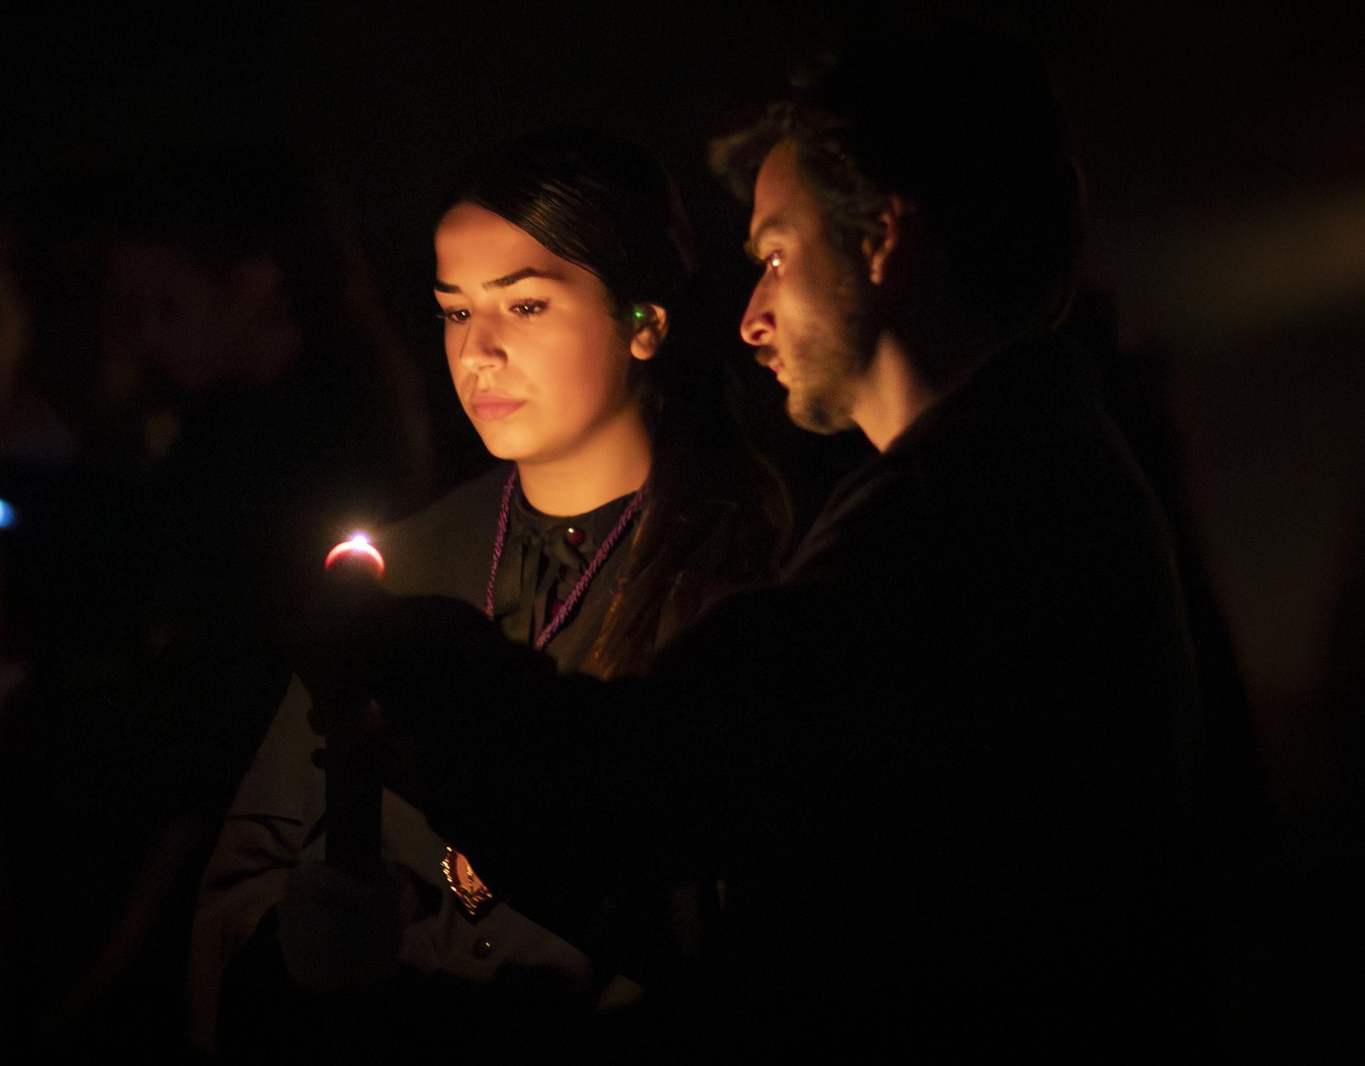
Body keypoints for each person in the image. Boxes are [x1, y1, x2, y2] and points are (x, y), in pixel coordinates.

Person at [328, 22, 1211, 1053]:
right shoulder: (1024, 466)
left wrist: (400, 652)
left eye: (779, 256)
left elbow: (651, 785)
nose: (751, 317)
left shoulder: (964, 516)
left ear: (883, 242)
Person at [190, 127, 792, 1055]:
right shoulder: (403, 565)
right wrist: (294, 941)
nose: (478, 351)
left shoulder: (748, 565)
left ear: (644, 321)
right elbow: (249, 863)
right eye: (454, 311)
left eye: (526, 305)